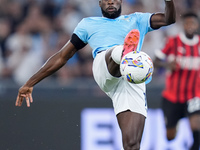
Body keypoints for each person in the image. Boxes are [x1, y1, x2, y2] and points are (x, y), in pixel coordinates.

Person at [15, 0, 176, 149]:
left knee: (132, 144)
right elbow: (63, 56)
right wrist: (30, 82)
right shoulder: (88, 24)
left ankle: (128, 56)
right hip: (104, 66)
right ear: (99, 2)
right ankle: (125, 52)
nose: (110, 2)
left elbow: (169, 19)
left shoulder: (137, 20)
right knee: (117, 52)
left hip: (131, 79)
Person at [154, 12, 200, 150]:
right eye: (187, 23)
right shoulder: (172, 42)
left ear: (197, 25)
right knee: (170, 137)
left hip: (193, 96)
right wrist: (166, 65)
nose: (190, 26)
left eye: (193, 23)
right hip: (172, 96)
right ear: (183, 25)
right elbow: (156, 61)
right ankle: (176, 122)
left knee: (196, 131)